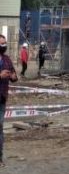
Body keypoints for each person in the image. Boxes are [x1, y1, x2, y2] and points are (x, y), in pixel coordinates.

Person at [0, 34, 19, 166]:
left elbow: (14, 76)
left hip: (2, 98)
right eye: (1, 44)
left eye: (4, 43)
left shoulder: (7, 59)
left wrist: (13, 76)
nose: (3, 46)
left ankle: (0, 157)